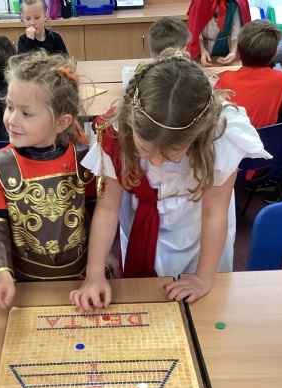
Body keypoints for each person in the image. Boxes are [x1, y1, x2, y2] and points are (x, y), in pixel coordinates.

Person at [69, 49, 270, 310]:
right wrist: (94, 273)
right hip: (140, 223)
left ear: (197, 136)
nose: (155, 163)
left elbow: (214, 212)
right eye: (145, 150)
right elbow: (108, 208)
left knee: (201, 311)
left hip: (198, 231)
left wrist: (203, 277)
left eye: (172, 154)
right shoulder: (117, 132)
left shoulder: (220, 135)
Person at [0, 51, 95, 310]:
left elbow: (97, 213)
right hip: (22, 286)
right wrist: (2, 275)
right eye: (10, 107)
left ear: (62, 122)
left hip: (81, 281)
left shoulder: (84, 160)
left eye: (26, 113)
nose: (11, 120)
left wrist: (102, 260)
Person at [215, 20, 282, 129]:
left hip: (232, 138)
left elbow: (215, 107)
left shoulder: (226, 78)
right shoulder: (281, 78)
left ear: (237, 53)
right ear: (275, 54)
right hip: (264, 139)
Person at [187, 0, 251, 67]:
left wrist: (233, 52)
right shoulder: (199, 2)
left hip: (226, 48)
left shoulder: (236, 3)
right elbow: (195, 28)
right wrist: (202, 49)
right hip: (203, 47)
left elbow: (236, 31)